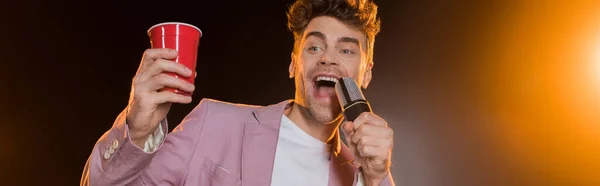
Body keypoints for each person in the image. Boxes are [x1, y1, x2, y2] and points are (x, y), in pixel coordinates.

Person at [80, 0, 394, 185]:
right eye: (314, 46)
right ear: (293, 63)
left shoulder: (361, 173)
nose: (328, 58)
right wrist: (136, 129)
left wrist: (377, 176)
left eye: (347, 51)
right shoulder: (214, 123)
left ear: (365, 74)